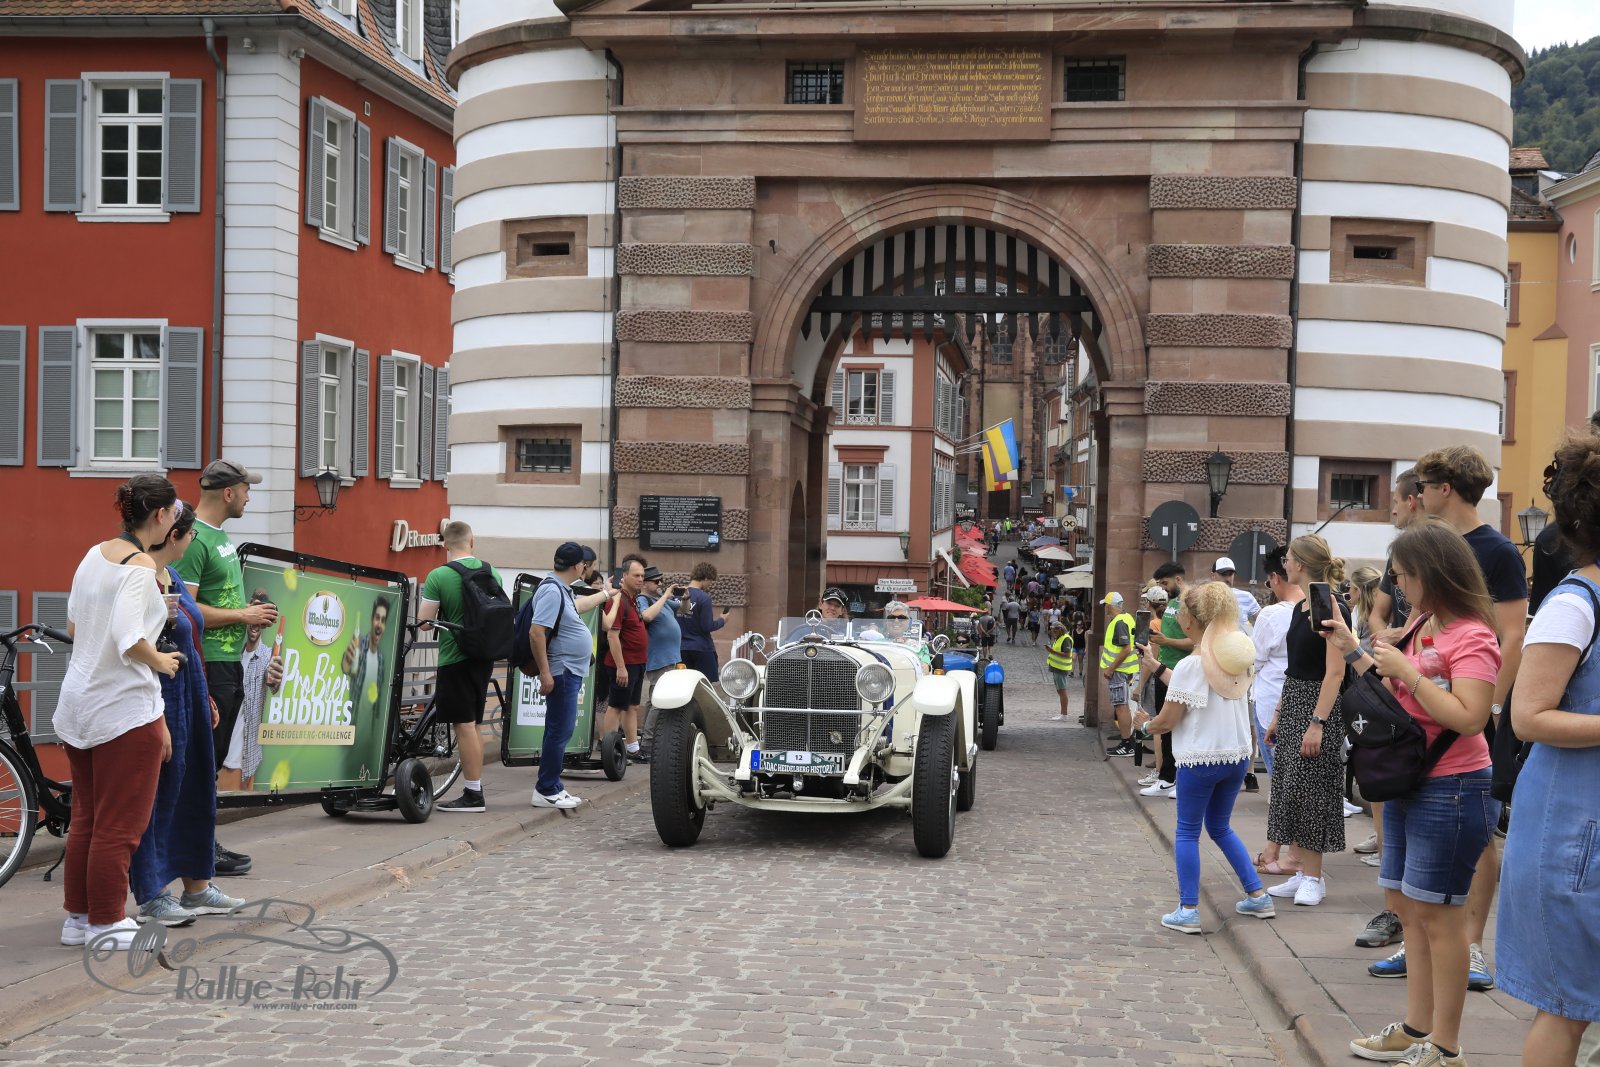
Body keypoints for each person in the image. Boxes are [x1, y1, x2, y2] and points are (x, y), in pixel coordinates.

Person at [1326, 519, 1502, 1067]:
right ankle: (1415, 1028)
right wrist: (1353, 649)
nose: (1397, 587)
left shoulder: (1473, 635)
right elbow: (1394, 696)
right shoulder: (1425, 622)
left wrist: (1408, 669)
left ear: (1433, 572)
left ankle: (1446, 1047)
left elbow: (1470, 717)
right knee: (1410, 912)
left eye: (1403, 575)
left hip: (1453, 786)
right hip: (1411, 781)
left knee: (1440, 918)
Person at [1499, 436, 1600, 1066]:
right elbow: (1528, 717)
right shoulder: (1573, 603)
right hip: (1572, 832)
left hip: (1584, 824)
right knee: (1566, 1005)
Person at [1413, 444, 1527, 992]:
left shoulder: (1496, 550)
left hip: (1473, 705)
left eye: (1423, 485)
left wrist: (1491, 708)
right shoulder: (1429, 543)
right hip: (1424, 710)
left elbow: (1512, 633)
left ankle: (1473, 944)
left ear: (1446, 489)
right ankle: (1424, 941)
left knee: (1477, 829)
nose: (1417, 495)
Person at [55, 476, 182, 951]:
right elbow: (131, 640)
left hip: (79, 702)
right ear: (160, 516)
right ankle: (107, 922)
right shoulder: (141, 567)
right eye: (174, 512)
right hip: (123, 710)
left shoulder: (94, 555)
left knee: (87, 818)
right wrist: (163, 661)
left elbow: (74, 625)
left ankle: (79, 918)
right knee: (120, 825)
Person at [1133, 581, 1274, 933]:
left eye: (1181, 610)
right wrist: (1156, 665)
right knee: (1220, 827)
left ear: (1191, 620)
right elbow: (1199, 688)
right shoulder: (1233, 657)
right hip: (1235, 756)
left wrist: (1144, 726)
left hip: (1200, 758)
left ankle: (1189, 909)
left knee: (1186, 833)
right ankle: (1257, 895)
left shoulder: (1190, 665)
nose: (1178, 615)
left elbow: (1168, 719)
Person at [129, 502, 245, 927]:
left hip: (190, 689)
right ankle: (153, 894)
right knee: (159, 795)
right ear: (173, 535)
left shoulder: (172, 576)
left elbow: (192, 634)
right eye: (190, 533)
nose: (193, 540)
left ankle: (197, 886)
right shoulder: (142, 578)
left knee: (196, 789)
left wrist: (205, 695)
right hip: (161, 693)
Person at [177, 458, 277, 878]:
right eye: (246, 489)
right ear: (228, 492)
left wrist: (247, 615)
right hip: (210, 662)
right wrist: (243, 615)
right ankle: (198, 849)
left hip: (228, 662)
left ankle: (202, 844)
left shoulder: (217, 536)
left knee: (213, 760)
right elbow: (184, 608)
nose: (250, 496)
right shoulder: (196, 538)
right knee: (205, 761)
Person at [1263, 534, 1348, 907]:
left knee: (1312, 790)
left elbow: (1335, 672)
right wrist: (1279, 714)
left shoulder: (1329, 605)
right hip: (1296, 701)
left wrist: (1318, 722)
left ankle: (1314, 877)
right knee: (1291, 788)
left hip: (1318, 705)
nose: (1284, 564)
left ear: (1300, 563)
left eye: (1288, 559)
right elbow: (1294, 668)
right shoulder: (1302, 607)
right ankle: (1301, 872)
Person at [418, 521, 506, 814]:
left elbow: (425, 621)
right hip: (483, 657)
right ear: (472, 541)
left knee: (464, 725)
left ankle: (473, 795)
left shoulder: (439, 575)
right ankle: (474, 789)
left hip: (454, 657)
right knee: (474, 724)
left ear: (445, 544)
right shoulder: (491, 572)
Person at [526, 542, 617, 809]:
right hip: (561, 671)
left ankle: (553, 786)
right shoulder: (552, 590)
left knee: (560, 730)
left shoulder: (560, 589)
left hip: (567, 671)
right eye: (585, 565)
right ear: (578, 566)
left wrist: (605, 594)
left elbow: (579, 606)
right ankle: (545, 789)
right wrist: (545, 673)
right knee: (559, 730)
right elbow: (536, 632)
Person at [1250, 548, 1303, 878]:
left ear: (1275, 577)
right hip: (1303, 702)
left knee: (1284, 784)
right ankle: (1276, 850)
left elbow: (1254, 659)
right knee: (1290, 783)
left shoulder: (1272, 615)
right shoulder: (1316, 608)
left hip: (1273, 701)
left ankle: (1289, 856)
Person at [220, 589, 278, 792]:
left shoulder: (268, 656)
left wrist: (275, 678)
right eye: (254, 611)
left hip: (244, 759)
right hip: (221, 750)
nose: (255, 622)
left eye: (261, 615)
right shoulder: (232, 654)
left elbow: (274, 680)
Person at [1143, 563, 1190, 791]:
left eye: (1165, 583)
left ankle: (1174, 779)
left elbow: (1195, 642)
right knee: (1165, 727)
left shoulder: (1188, 605)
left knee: (1176, 726)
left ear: (1178, 580)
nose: (1162, 588)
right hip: (1163, 670)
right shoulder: (1171, 603)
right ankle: (1166, 777)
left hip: (1179, 673)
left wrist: (1166, 641)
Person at [600, 555, 650, 765]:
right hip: (624, 664)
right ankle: (610, 752)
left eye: (642, 576)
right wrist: (621, 668)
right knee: (616, 706)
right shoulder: (618, 600)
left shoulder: (633, 599)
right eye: (636, 575)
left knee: (632, 706)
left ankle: (632, 749)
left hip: (636, 663)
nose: (641, 579)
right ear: (625, 575)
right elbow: (612, 636)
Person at [637, 565, 684, 758]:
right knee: (659, 701)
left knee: (654, 700)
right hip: (659, 658)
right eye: (656, 582)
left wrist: (685, 598)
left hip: (671, 658)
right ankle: (647, 745)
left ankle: (647, 740)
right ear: (645, 584)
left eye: (660, 581)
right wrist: (665, 595)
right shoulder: (643, 599)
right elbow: (646, 616)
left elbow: (684, 609)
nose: (659, 584)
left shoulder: (660, 600)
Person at [1136, 582, 1177, 798]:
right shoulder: (1168, 621)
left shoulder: (1154, 623)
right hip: (1169, 672)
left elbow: (1150, 659)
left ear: (1149, 603)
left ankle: (1163, 773)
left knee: (1161, 726)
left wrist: (1140, 685)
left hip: (1162, 674)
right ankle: (1165, 773)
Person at [1101, 591, 1142, 757]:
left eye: (1105, 605)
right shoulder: (1127, 618)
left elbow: (1126, 649)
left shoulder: (1119, 622)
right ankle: (1128, 742)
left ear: (1109, 606)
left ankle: (1127, 744)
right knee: (1122, 705)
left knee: (1121, 706)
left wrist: (1110, 669)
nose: (1105, 608)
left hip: (1120, 671)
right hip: (1127, 670)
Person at [677, 563, 726, 680]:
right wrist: (722, 620)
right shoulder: (704, 598)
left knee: (683, 684)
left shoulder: (677, 595)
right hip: (701, 648)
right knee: (706, 685)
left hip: (680, 648)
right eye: (711, 581)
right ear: (706, 578)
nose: (710, 585)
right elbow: (707, 626)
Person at [1213, 556, 1262, 631]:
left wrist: (1250, 634)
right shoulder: (1204, 598)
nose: (1227, 578)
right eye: (1223, 574)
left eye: (1230, 574)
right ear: (1213, 575)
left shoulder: (1246, 597)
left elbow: (1263, 622)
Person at [1045, 621, 1074, 720]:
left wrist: (1052, 651)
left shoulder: (1066, 638)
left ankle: (1064, 714)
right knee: (1060, 690)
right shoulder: (1059, 638)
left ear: (1061, 629)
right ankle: (1063, 713)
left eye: (1055, 629)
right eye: (1052, 629)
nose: (1053, 631)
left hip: (1061, 668)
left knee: (1062, 690)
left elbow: (1067, 654)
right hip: (1057, 667)